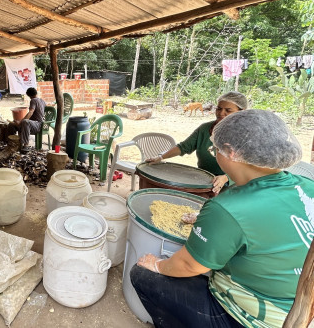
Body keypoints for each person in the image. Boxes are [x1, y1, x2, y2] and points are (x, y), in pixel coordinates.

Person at [131, 109, 313, 328]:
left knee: (142, 275)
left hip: (253, 319)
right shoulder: (308, 187)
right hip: (304, 310)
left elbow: (188, 265)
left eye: (215, 149)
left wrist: (156, 264)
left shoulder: (227, 208)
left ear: (230, 153)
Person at [146, 91, 248, 194]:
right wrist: (160, 158)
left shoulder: (246, 136)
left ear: (241, 112)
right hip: (203, 182)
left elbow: (247, 167)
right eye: (219, 108)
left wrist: (225, 178)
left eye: (228, 110)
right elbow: (183, 147)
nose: (221, 113)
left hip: (233, 188)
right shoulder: (205, 129)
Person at [7, 87, 46, 153]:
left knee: (25, 122)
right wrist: (19, 121)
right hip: (34, 124)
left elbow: (30, 112)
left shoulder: (33, 100)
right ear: (36, 93)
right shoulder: (42, 101)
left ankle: (26, 145)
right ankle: (12, 143)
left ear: (28, 95)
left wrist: (21, 122)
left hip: (37, 125)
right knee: (12, 124)